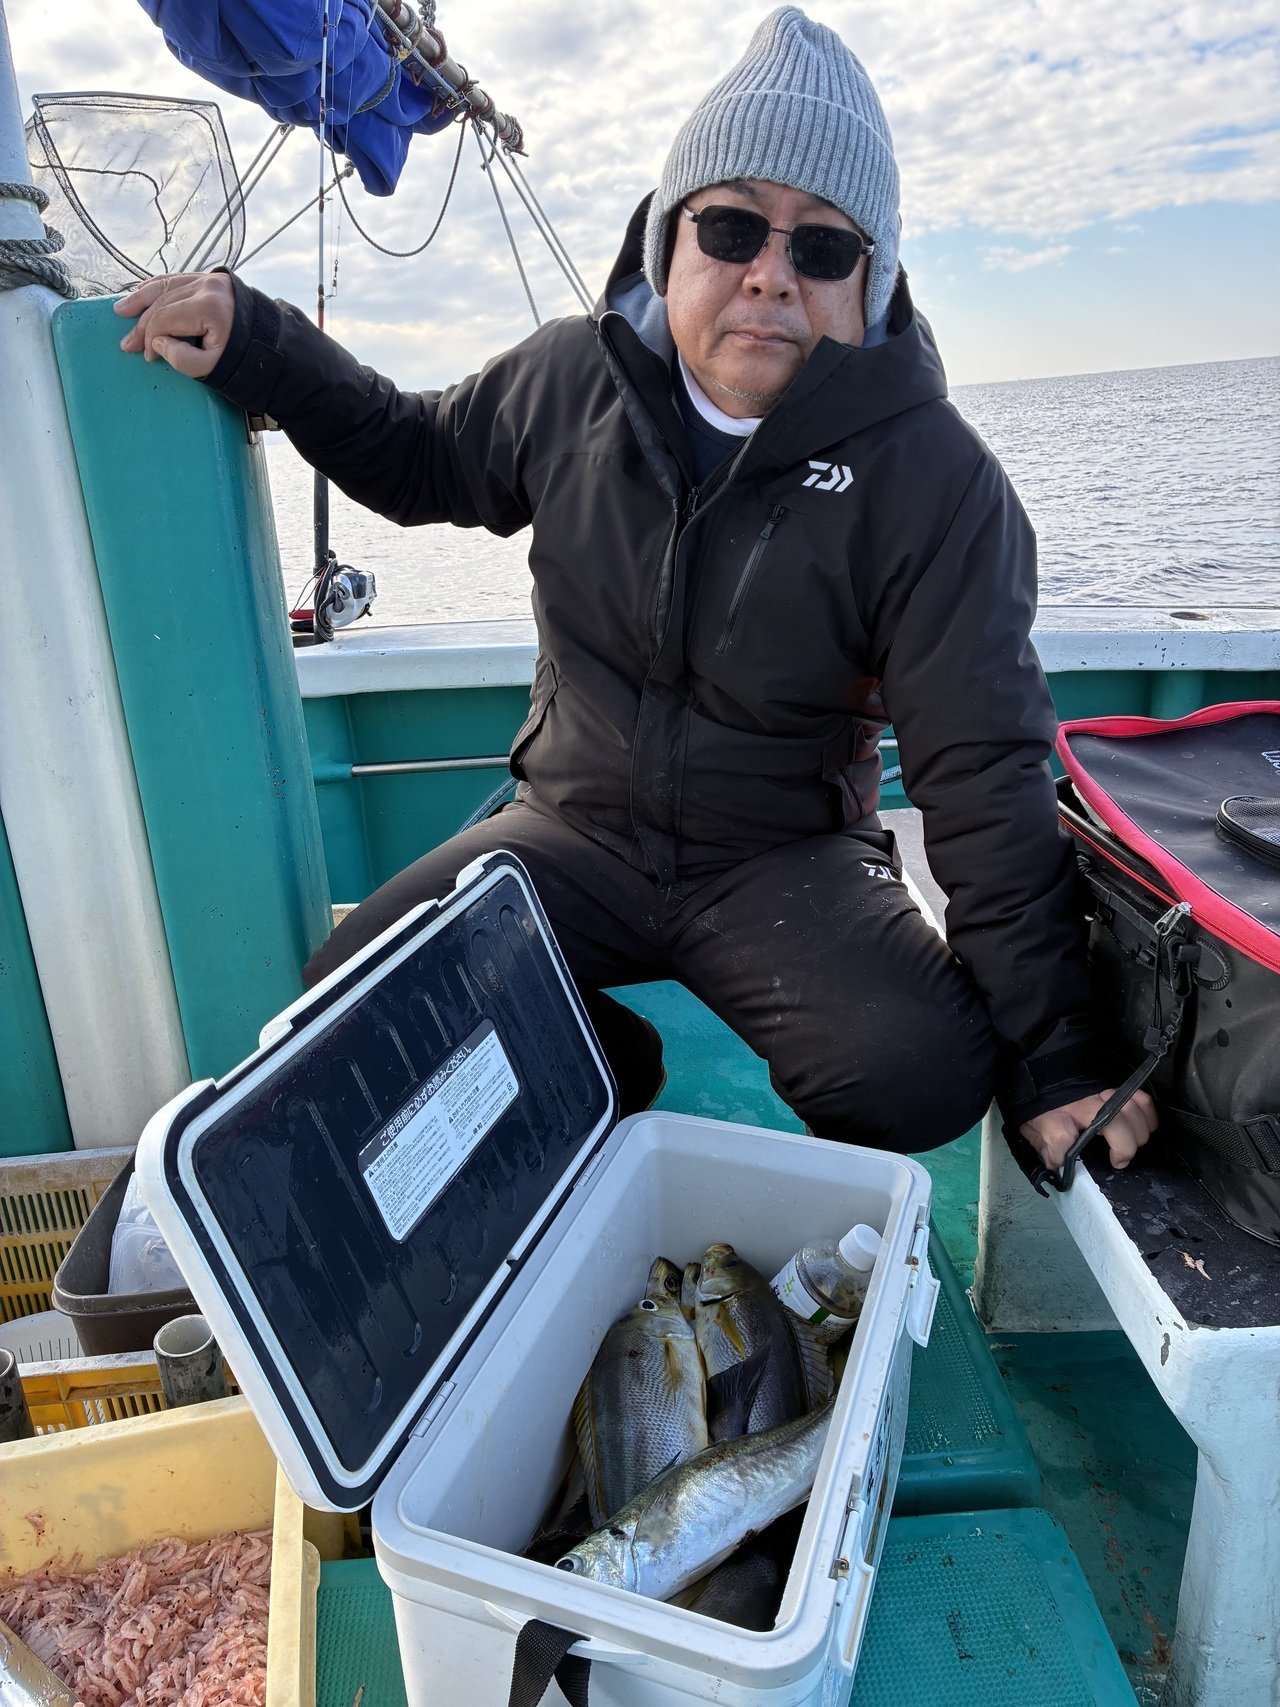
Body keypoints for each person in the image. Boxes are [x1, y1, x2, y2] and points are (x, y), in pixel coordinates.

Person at [117, 6, 1155, 1173]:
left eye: (821, 249)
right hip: (569, 827)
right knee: (351, 1002)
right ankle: (606, 1066)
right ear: (668, 243)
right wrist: (260, 345)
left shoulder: (933, 480)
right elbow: (413, 456)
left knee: (915, 1075)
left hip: (781, 857)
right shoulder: (569, 379)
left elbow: (980, 767)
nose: (768, 276)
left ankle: (584, 1070)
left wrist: (1058, 1056)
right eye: (730, 227)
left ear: (870, 283)